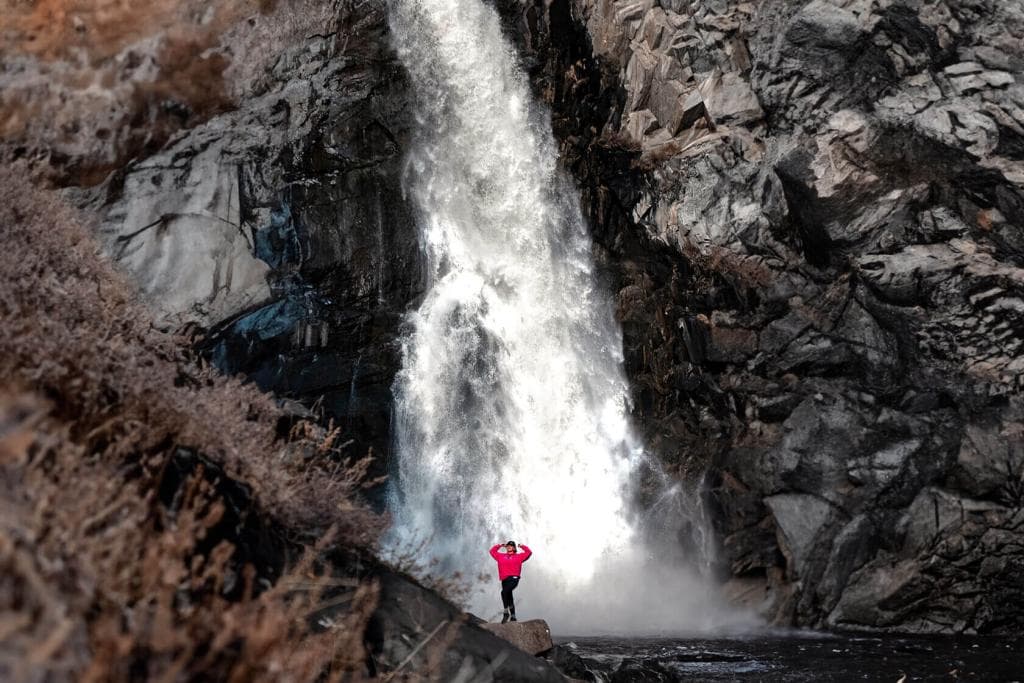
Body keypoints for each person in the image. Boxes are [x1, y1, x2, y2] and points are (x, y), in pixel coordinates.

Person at [488, 540, 532, 623]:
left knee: (504, 592)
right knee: (509, 597)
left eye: (511, 546)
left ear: (514, 548)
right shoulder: (500, 556)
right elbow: (492, 551)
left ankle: (505, 612)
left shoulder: (519, 556)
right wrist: (500, 545)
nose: (509, 547)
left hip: (514, 578)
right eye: (508, 545)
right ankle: (513, 616)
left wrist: (522, 546)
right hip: (504, 579)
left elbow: (529, 552)